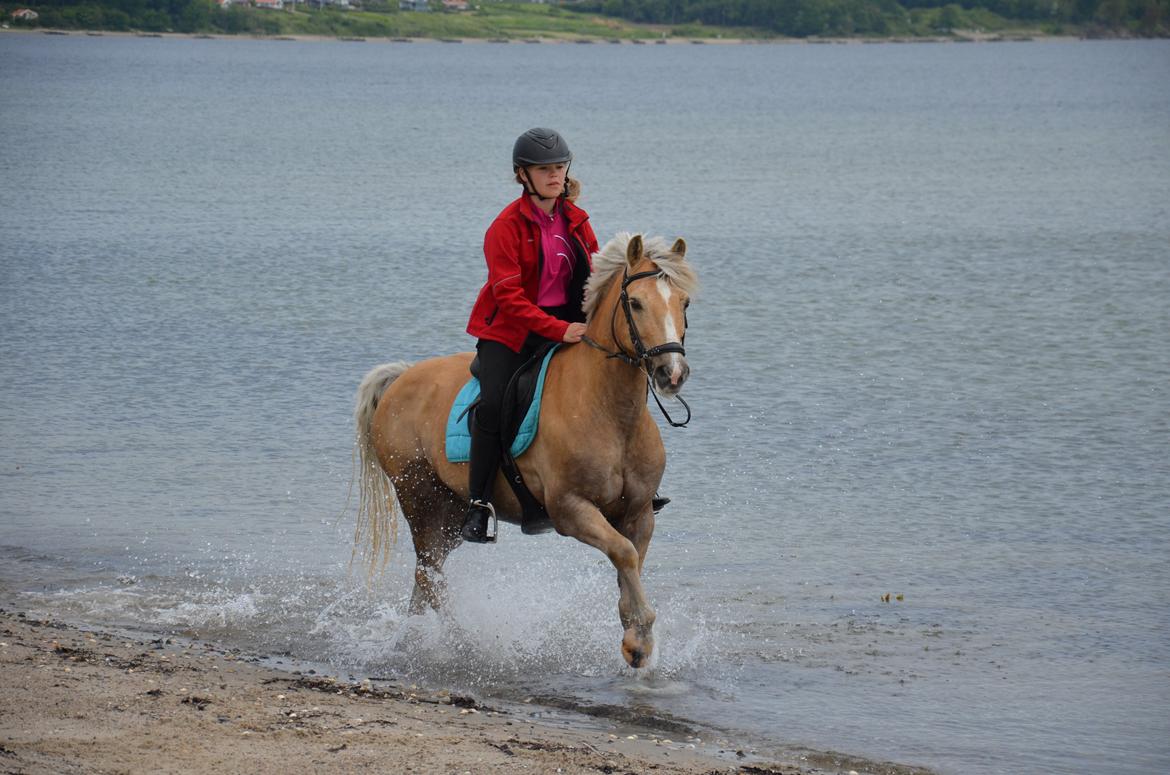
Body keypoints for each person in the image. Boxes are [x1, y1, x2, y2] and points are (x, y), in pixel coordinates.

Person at [461, 128, 598, 544]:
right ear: (524, 175)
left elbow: (597, 274)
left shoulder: (576, 220)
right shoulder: (504, 227)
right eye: (544, 169)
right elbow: (510, 297)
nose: (555, 175)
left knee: (621, 375)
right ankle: (479, 504)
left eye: (559, 167)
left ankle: (637, 484)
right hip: (511, 330)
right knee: (495, 402)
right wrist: (559, 329)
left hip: (570, 324)